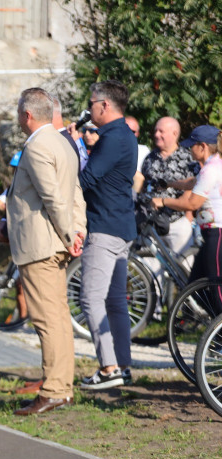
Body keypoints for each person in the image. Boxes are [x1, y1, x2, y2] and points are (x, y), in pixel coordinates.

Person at [5, 88, 87, 416]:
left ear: (27, 115)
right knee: (57, 317)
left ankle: (54, 389)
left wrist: (70, 234)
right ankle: (60, 387)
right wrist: (78, 230)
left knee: (46, 319)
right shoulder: (62, 142)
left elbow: (53, 196)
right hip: (56, 239)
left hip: (43, 244)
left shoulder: (38, 144)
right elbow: (75, 192)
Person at [78, 80, 138, 390]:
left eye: (91, 104)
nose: (89, 111)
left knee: (91, 299)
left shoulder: (113, 137)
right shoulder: (123, 134)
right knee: (115, 301)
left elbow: (87, 178)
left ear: (105, 105)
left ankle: (109, 367)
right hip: (120, 225)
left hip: (104, 227)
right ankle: (122, 366)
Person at [152, 125, 222, 311]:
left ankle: (217, 330)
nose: (189, 149)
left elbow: (192, 204)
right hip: (211, 234)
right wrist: (168, 184)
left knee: (217, 291)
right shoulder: (211, 166)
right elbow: (193, 182)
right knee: (195, 288)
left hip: (217, 234)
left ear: (203, 146)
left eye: (192, 145)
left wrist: (163, 201)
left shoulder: (211, 170)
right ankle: (212, 330)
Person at [137, 117, 200, 256]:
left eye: (161, 131)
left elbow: (193, 189)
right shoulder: (149, 158)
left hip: (177, 223)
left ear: (175, 133)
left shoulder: (188, 158)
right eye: (156, 131)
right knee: (151, 270)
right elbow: (143, 185)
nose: (156, 135)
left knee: (184, 268)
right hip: (152, 224)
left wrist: (188, 218)